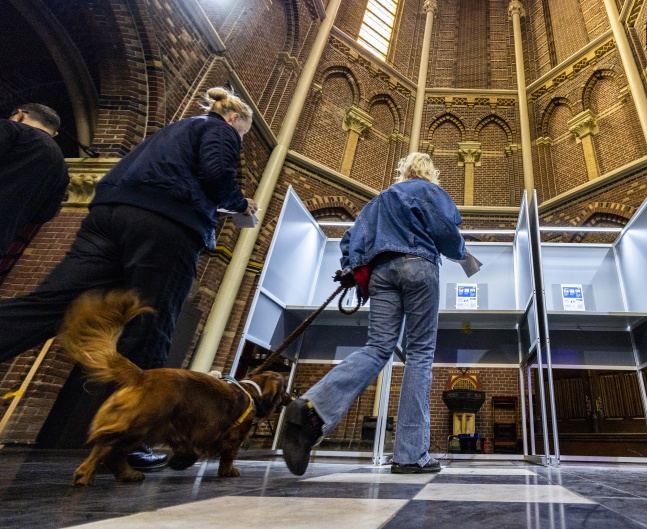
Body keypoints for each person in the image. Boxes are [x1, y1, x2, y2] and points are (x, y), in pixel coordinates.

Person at [0, 87, 258, 470]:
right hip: (165, 226)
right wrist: (240, 204)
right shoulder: (218, 129)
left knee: (54, 305)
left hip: (109, 216)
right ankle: (130, 438)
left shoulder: (172, 130)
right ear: (235, 120)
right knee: (150, 325)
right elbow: (217, 173)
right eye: (242, 134)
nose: (238, 139)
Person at [282, 152, 466, 476]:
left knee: (378, 347)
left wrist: (349, 269)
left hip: (382, 274)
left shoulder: (379, 200)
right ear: (429, 173)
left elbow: (350, 241)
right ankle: (410, 455)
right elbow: (447, 233)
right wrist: (463, 254)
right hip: (419, 267)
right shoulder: (428, 191)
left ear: (404, 170)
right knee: (420, 353)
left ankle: (313, 408)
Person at [0, 104, 69, 259]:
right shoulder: (62, 170)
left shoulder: (12, 129)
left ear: (19, 115)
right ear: (55, 133)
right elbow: (44, 214)